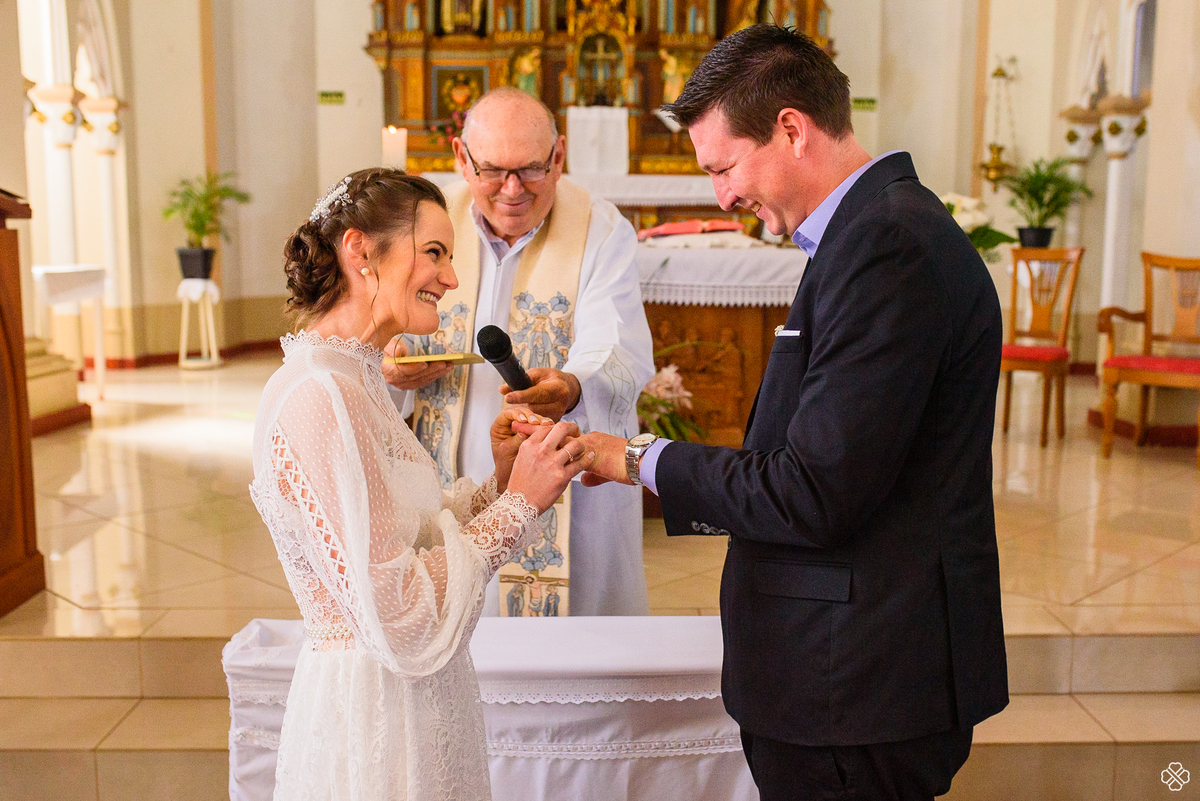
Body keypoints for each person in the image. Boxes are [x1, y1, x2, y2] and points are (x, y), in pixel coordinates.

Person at [579, 26, 1009, 801]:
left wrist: (637, 458)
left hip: (856, 683)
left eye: (724, 166)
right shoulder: (869, 232)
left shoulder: (887, 247)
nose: (722, 195)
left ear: (790, 129)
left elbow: (814, 487)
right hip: (845, 675)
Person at [248, 168, 594, 801]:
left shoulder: (354, 380)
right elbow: (400, 612)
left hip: (413, 701)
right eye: (434, 252)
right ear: (360, 251)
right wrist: (519, 506)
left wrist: (502, 482)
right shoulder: (320, 394)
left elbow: (409, 540)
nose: (452, 277)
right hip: (374, 721)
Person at [385, 87, 655, 617]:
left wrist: (573, 386)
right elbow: (383, 322)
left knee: (572, 666)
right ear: (462, 158)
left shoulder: (600, 230)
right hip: (452, 483)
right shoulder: (423, 224)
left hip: (567, 495)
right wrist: (392, 363)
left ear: (558, 157)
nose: (512, 189)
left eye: (531, 169)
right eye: (493, 171)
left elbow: (617, 340)